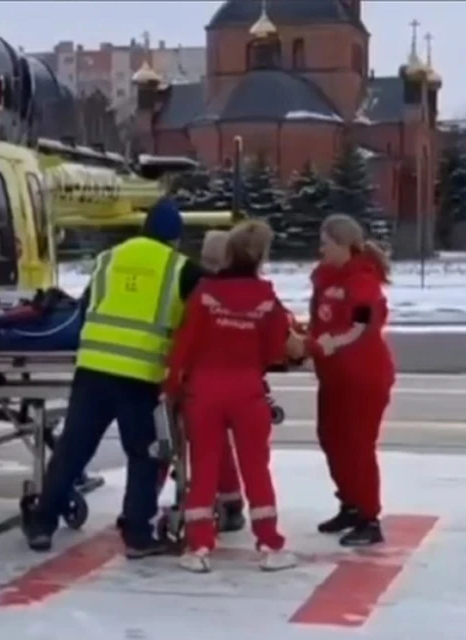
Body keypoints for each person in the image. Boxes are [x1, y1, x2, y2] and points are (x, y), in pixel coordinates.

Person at [22, 197, 205, 558]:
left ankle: (43, 523)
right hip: (140, 375)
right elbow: (199, 317)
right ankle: (137, 534)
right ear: (176, 239)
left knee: (74, 449)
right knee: (143, 454)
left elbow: (87, 306)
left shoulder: (108, 258)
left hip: (92, 369)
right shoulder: (182, 269)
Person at [163, 220, 297, 573]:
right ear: (261, 257)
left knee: (204, 465)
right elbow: (276, 351)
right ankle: (269, 543)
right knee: (256, 467)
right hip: (247, 391)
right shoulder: (267, 298)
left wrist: (173, 388)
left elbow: (184, 346)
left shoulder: (204, 293)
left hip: (203, 392)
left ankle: (198, 546)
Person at [297, 214, 394, 547]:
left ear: (343, 245)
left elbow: (362, 326)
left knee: (357, 445)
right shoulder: (325, 279)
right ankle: (350, 503)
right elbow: (319, 321)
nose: (321, 248)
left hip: (362, 377)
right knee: (331, 438)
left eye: (326, 242)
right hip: (334, 376)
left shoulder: (362, 281)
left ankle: (369, 516)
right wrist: (306, 337)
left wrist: (331, 343)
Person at [198, 230, 246, 534]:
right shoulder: (245, 290)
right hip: (238, 382)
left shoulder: (199, 291)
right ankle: (231, 503)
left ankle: (143, 506)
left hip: (203, 383)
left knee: (170, 443)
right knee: (223, 447)